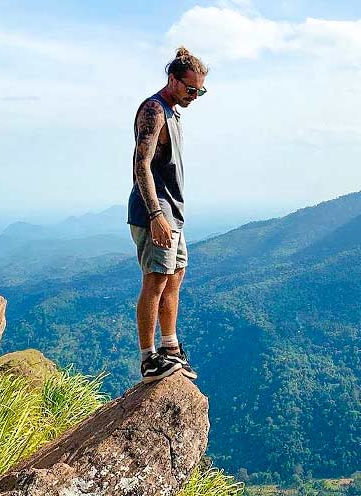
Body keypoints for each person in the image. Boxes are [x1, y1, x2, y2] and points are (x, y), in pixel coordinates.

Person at [127, 47, 208, 383]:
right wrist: (156, 214)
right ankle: (149, 360)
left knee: (175, 275)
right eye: (190, 89)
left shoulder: (173, 113)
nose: (194, 96)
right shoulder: (154, 110)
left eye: (199, 91)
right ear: (172, 79)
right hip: (155, 211)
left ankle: (170, 348)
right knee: (156, 281)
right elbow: (140, 165)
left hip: (172, 212)